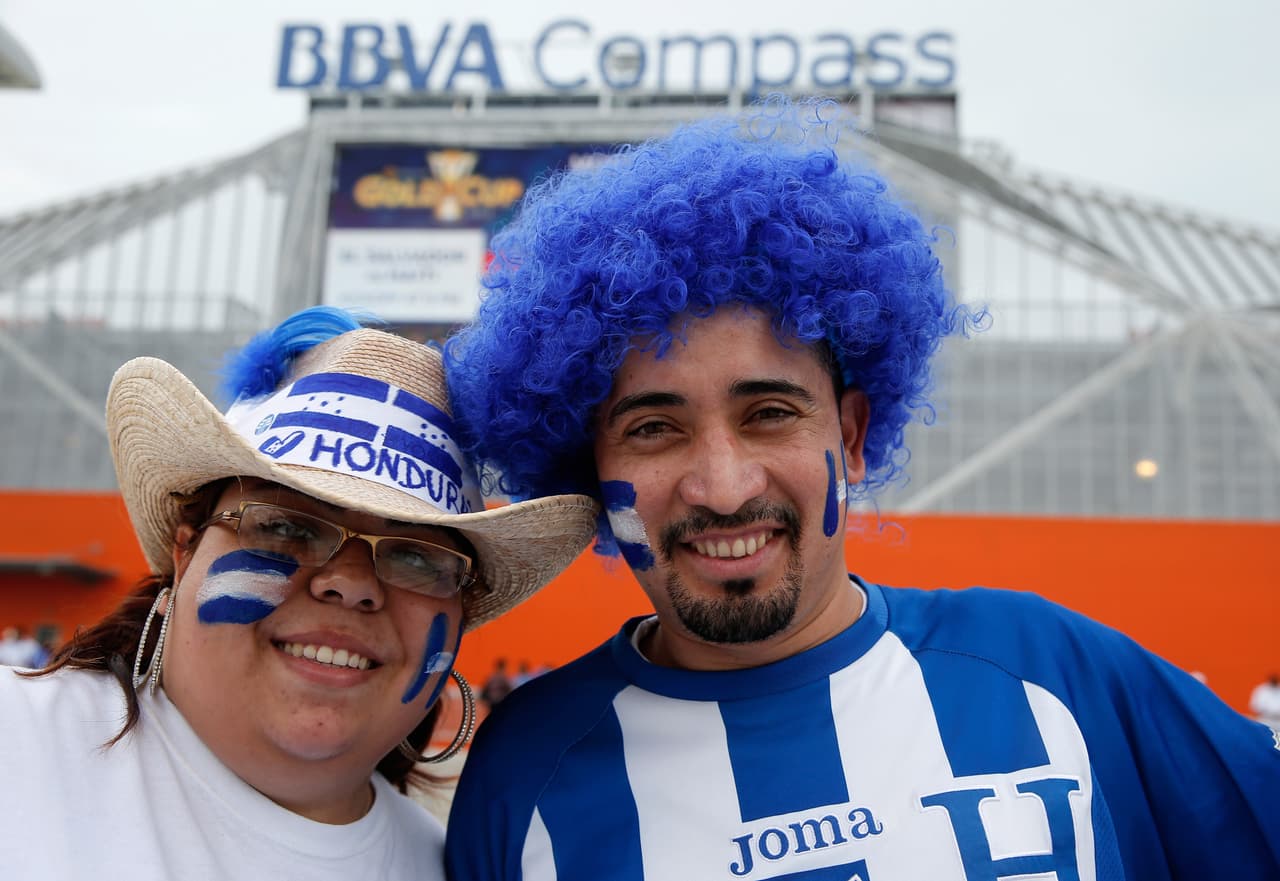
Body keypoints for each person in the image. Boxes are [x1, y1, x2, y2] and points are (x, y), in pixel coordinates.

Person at [442, 100, 1280, 880]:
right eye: (654, 428)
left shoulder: (1050, 670)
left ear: (847, 434)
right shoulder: (527, 773)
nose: (725, 486)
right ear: (592, 465)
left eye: (769, 413)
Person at [0, 307, 597, 879]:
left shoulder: (455, 866)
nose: (352, 583)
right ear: (185, 553)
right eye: (287, 527)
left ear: (462, 613)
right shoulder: (18, 745)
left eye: (418, 556)